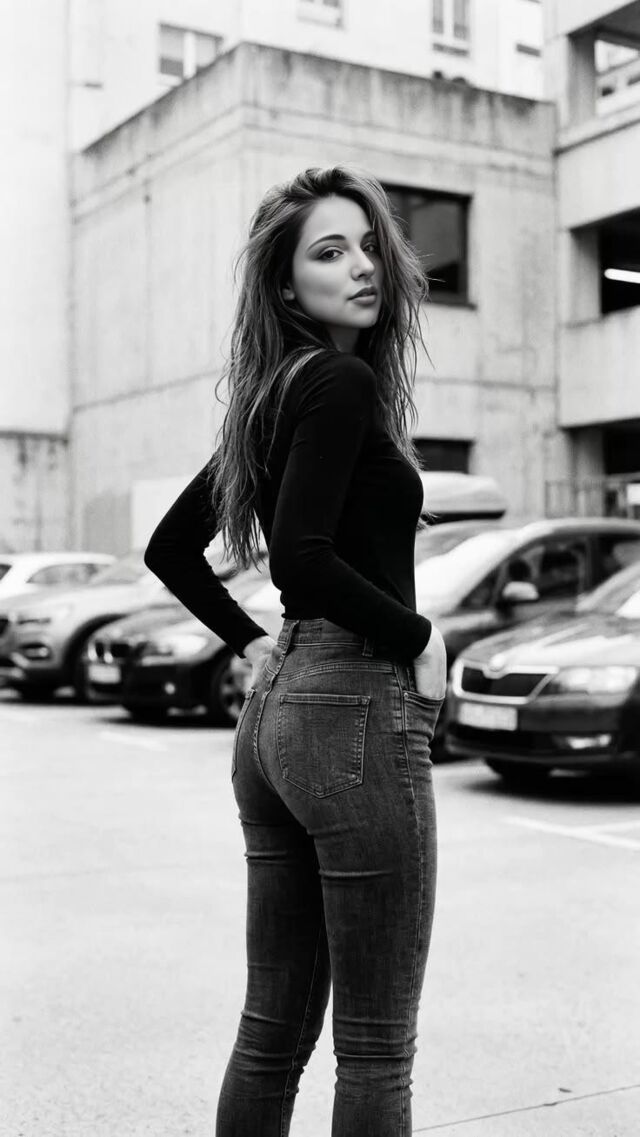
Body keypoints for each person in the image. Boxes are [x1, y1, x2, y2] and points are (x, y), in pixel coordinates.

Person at [144, 165, 447, 1137]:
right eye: (329, 251)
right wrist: (418, 635)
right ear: (286, 284)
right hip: (351, 705)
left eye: (368, 246)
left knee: (271, 1032)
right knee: (375, 1046)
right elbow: (303, 560)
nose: (362, 267)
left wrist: (253, 645)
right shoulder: (338, 382)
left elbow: (169, 549)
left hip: (275, 716)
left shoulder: (272, 397)